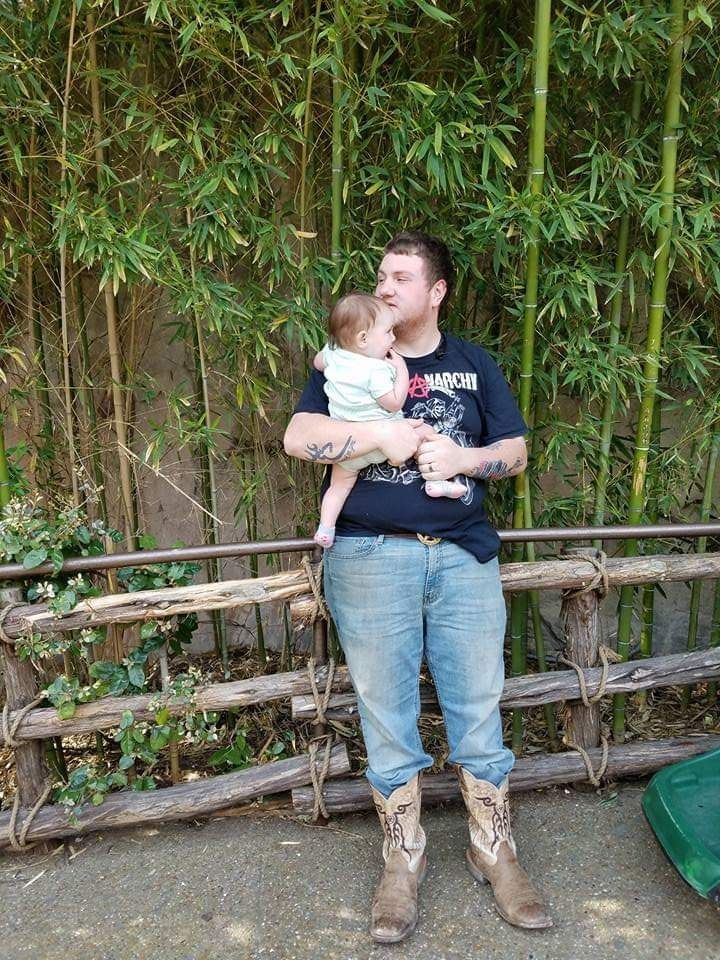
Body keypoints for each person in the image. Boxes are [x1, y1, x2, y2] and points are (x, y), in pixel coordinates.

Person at [284, 231, 552, 943]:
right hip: (370, 555)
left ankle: (494, 849)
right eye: (381, 275)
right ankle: (402, 858)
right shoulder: (348, 355)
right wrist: (378, 441)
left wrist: (462, 458)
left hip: (463, 555)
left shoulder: (473, 364)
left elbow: (517, 450)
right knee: (384, 712)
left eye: (401, 277)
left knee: (479, 706)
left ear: (436, 292)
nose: (385, 287)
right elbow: (298, 436)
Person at [313, 291, 467, 548]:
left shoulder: (332, 354)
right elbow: (394, 402)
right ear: (363, 339)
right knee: (426, 434)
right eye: (387, 333)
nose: (393, 338)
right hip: (388, 440)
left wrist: (331, 356)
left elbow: (318, 362)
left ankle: (326, 528)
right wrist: (401, 370)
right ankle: (437, 481)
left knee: (338, 487)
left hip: (350, 447)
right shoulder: (376, 370)